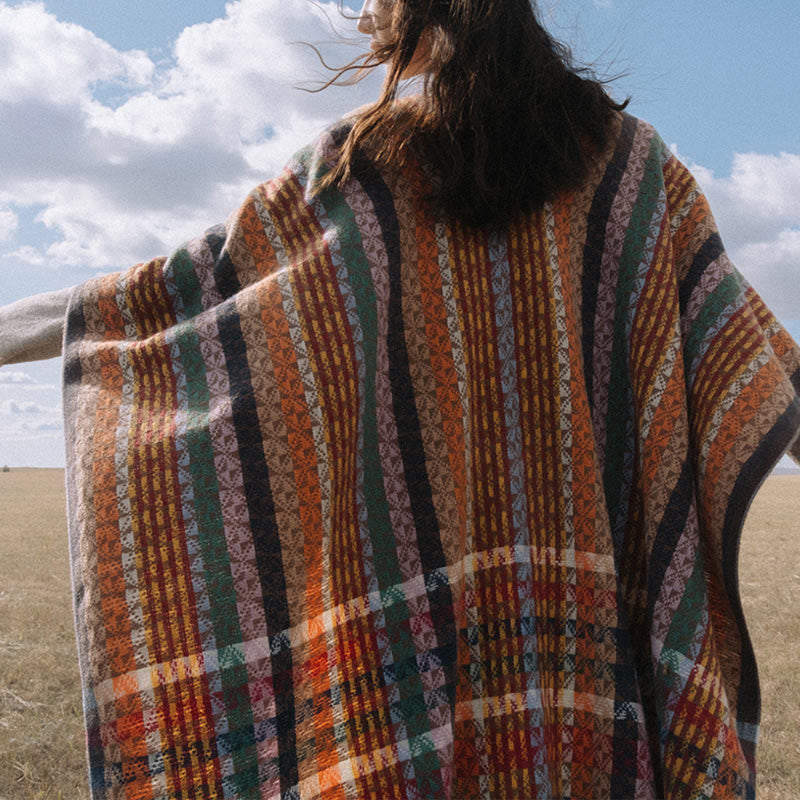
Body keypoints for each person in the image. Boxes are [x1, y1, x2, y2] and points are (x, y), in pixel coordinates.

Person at [1, 0, 799, 798]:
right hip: (595, 677)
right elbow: (746, 343)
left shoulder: (366, 165)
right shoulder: (637, 170)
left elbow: (185, 298)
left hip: (423, 656)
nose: (360, 20)